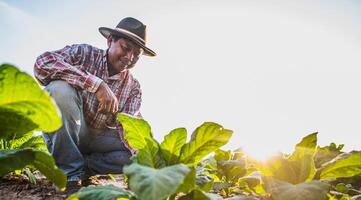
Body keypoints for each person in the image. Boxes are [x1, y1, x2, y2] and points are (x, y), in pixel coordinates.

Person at [34, 17, 156, 192]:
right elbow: (42, 63)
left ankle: (83, 167)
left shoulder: (133, 87)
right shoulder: (84, 54)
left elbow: (128, 126)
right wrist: (95, 84)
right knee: (59, 89)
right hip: (71, 129)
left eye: (136, 55)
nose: (129, 57)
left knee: (144, 144)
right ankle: (69, 175)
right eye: (125, 48)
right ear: (109, 41)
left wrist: (142, 160)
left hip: (100, 139)